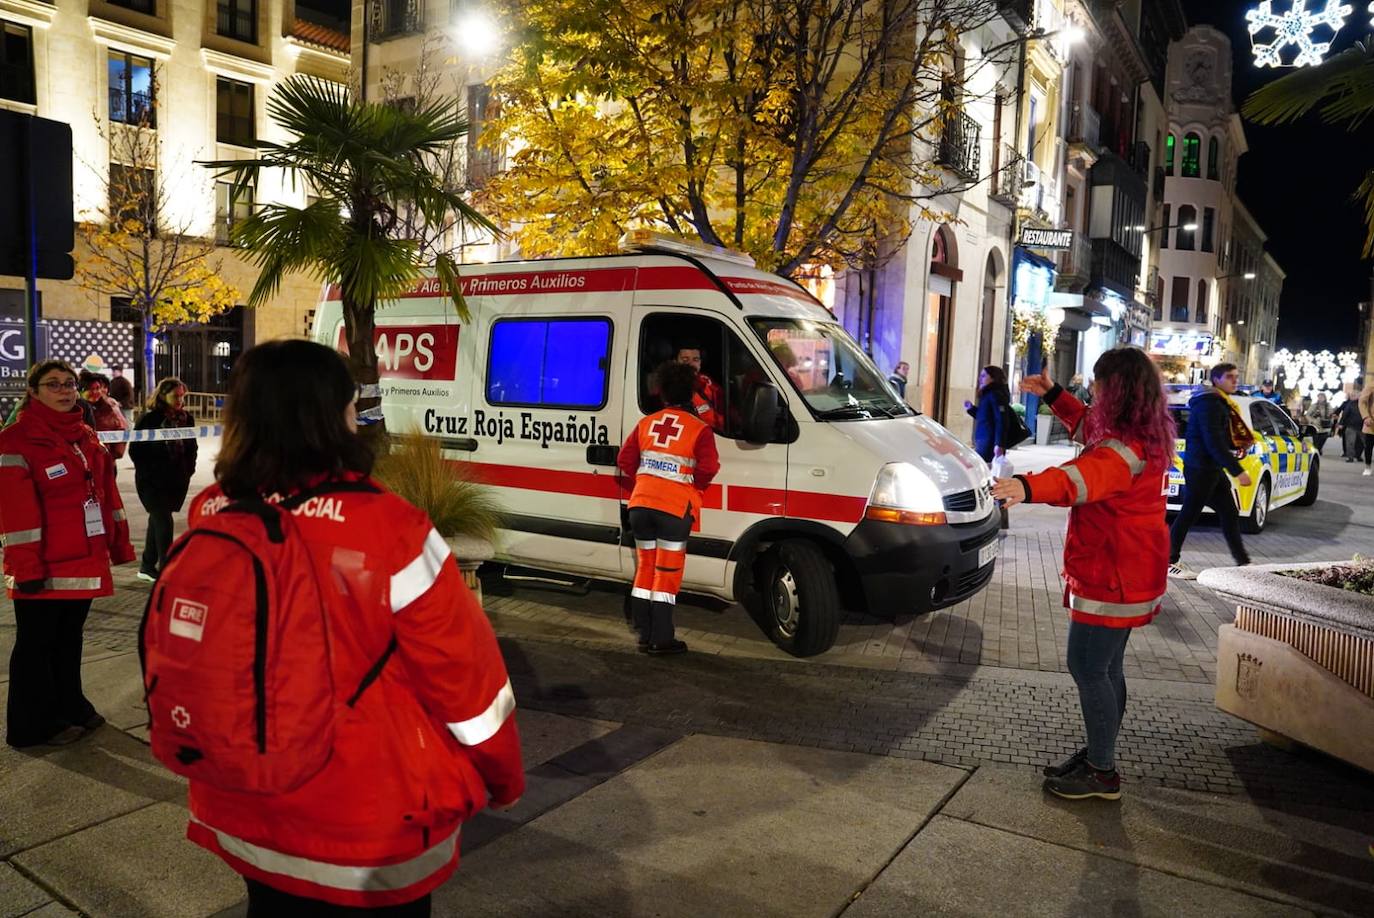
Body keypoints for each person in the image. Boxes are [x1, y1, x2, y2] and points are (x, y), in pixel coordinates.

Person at [180, 340, 525, 915]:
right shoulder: (390, 527)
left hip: (243, 798)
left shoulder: (213, 509)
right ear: (338, 414)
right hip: (361, 817)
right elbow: (466, 679)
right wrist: (503, 775)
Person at [991, 350, 1175, 801]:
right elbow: (1090, 427)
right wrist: (1054, 394)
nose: (1092, 390)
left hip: (1112, 573)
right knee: (1107, 668)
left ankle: (1101, 771)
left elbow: (1079, 477)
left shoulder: (1122, 451)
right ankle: (1099, 753)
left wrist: (1027, 486)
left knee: (1087, 667)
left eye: (1098, 383)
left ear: (1117, 390)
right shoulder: (1137, 433)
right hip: (1127, 570)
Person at [0, 360, 135, 748]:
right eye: (53, 384)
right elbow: (14, 514)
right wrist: (26, 567)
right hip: (42, 566)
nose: (64, 391)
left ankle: (70, 705)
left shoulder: (85, 435)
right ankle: (31, 726)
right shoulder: (16, 441)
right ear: (33, 391)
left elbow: (106, 495)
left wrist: (118, 544)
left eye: (69, 384)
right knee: (35, 646)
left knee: (68, 639)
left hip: (84, 558)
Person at [617, 361, 721, 655]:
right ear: (690, 393)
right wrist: (692, 485)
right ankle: (661, 639)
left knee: (645, 568)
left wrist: (647, 480)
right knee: (667, 574)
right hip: (674, 509)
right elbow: (709, 468)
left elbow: (625, 461)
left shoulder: (647, 423)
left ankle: (644, 632)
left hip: (640, 506)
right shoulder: (699, 429)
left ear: (662, 393)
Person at [1166, 363, 1254, 580]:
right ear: (1216, 380)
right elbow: (1212, 441)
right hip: (1201, 469)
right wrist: (1238, 471)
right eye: (1230, 377)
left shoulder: (1219, 402)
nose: (1235, 380)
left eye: (1236, 376)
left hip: (1211, 468)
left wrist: (1236, 446)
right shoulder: (1209, 404)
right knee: (1189, 514)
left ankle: (1243, 562)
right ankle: (1169, 560)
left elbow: (1219, 436)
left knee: (1229, 512)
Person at [129, 377, 197, 582]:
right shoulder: (149, 419)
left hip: (176, 479)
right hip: (151, 481)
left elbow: (192, 447)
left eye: (182, 396)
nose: (179, 400)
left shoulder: (187, 418)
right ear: (162, 395)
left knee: (157, 520)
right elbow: (136, 450)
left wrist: (189, 469)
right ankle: (168, 567)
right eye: (175, 396)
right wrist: (149, 471)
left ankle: (147, 566)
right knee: (163, 520)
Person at [78, 371, 130, 468]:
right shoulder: (75, 408)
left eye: (97, 388)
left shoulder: (109, 407)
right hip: (80, 462)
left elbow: (122, 428)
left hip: (106, 462)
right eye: (90, 389)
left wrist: (112, 454)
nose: (95, 392)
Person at [964, 366, 1009, 463]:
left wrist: (999, 444)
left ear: (993, 378)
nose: (980, 379)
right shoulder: (987, 394)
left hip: (988, 442)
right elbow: (985, 417)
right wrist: (971, 409)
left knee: (985, 467)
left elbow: (1001, 420)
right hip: (983, 440)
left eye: (984, 376)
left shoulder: (995, 394)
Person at [676, 343, 724, 431]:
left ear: (701, 362)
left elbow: (728, 411)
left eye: (695, 359)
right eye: (685, 359)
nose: (690, 364)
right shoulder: (669, 388)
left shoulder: (707, 383)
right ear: (676, 362)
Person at [1337, 389, 1363, 462]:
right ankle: (1350, 457)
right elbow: (1345, 414)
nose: (1352, 397)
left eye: (1354, 395)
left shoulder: (1364, 404)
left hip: (1362, 426)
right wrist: (1341, 423)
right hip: (1351, 426)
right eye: (1351, 395)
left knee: (1361, 443)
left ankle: (1358, 455)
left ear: (1359, 396)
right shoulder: (1349, 404)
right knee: (1350, 442)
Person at [1361, 380, 1374, 476]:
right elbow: (1362, 401)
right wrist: (1366, 416)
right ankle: (1368, 466)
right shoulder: (1371, 385)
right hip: (1371, 423)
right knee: (1369, 447)